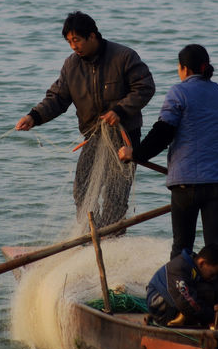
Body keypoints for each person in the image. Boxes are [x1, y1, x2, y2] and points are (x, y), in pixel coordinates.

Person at [119, 44, 218, 260]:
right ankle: (215, 293)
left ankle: (182, 291)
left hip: (186, 185)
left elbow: (163, 132)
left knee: (182, 249)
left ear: (184, 68)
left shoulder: (179, 92)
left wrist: (134, 154)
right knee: (216, 249)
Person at [16, 11, 155, 227]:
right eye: (69, 41)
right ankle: (90, 235)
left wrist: (119, 110)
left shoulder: (124, 56)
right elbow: (58, 98)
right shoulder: (71, 65)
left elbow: (145, 87)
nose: (73, 46)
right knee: (82, 188)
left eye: (77, 40)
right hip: (94, 136)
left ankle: (112, 238)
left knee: (115, 194)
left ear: (92, 36)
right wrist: (34, 116)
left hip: (125, 137)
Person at [145, 245, 218, 328]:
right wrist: (212, 318)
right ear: (202, 263)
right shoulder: (179, 267)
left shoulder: (194, 267)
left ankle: (185, 317)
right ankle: (179, 317)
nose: (214, 278)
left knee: (211, 290)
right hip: (159, 308)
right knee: (193, 300)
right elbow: (186, 301)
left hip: (176, 299)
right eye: (212, 274)